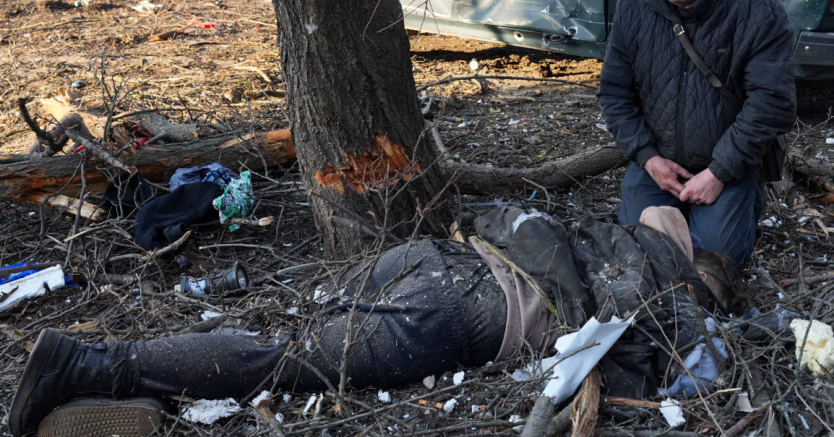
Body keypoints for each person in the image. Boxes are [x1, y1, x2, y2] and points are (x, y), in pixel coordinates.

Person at [9, 206, 747, 437]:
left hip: (430, 258)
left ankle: (144, 392)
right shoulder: (670, 285)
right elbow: (698, 374)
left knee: (296, 343)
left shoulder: (596, 234)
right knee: (291, 362)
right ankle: (86, 364)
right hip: (466, 312)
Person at [597, 0, 796, 269]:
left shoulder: (757, 9)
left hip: (726, 163)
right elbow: (614, 93)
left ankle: (739, 204)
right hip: (657, 162)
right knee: (636, 258)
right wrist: (647, 158)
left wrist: (721, 172)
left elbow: (772, 102)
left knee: (714, 265)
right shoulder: (633, 7)